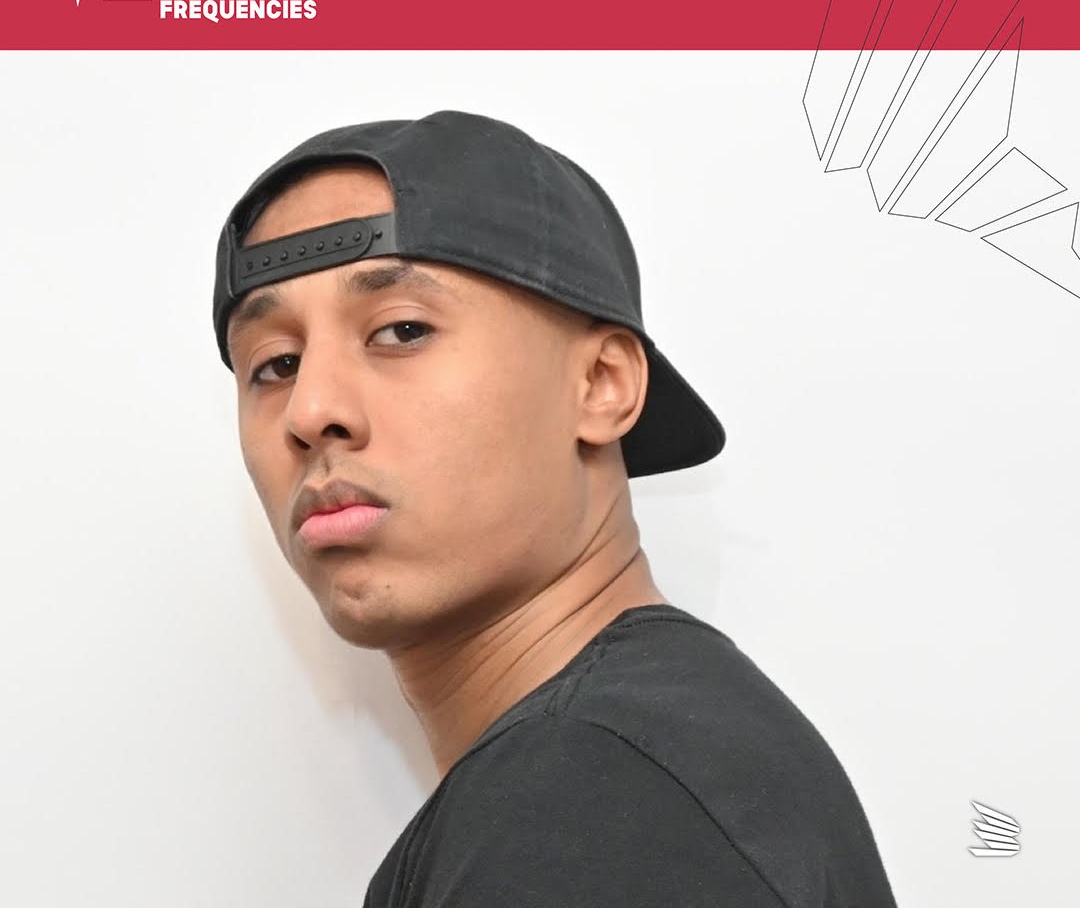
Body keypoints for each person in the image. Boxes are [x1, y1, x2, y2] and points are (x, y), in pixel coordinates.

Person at [211, 110, 898, 907]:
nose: (311, 410)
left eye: (401, 330)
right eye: (276, 364)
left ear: (601, 385)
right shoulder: (632, 766)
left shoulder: (599, 799)